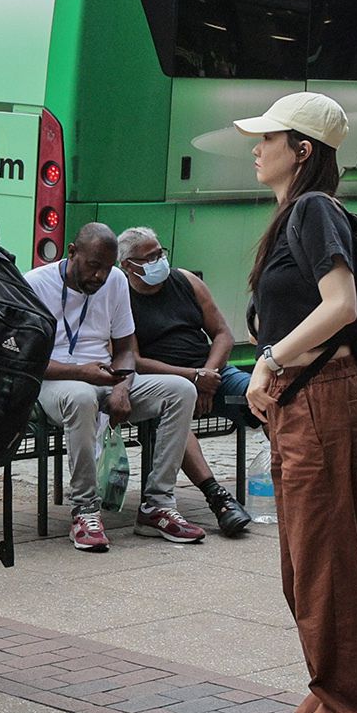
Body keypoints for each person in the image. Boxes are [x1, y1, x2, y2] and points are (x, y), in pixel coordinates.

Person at [235, 90, 357, 713]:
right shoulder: (293, 216)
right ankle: (325, 703)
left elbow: (341, 305)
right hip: (308, 405)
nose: (255, 147)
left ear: (302, 151)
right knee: (304, 568)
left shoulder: (315, 210)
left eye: (269, 137)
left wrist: (270, 358)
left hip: (326, 405)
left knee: (325, 572)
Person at [26, 224, 205, 550]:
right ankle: (84, 508)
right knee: (81, 397)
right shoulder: (35, 285)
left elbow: (124, 348)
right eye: (93, 266)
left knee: (181, 390)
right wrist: (82, 373)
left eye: (106, 269)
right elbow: (26, 359)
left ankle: (157, 504)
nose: (99, 276)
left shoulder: (116, 281)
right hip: (56, 381)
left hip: (108, 376)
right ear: (71, 252)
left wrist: (122, 386)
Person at [114, 226, 254, 537]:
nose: (158, 261)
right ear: (127, 265)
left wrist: (208, 373)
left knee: (263, 397)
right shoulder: (120, 297)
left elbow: (223, 334)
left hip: (212, 373)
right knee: (177, 402)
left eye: (160, 253)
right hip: (165, 382)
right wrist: (192, 380)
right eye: (149, 258)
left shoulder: (185, 280)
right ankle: (218, 499)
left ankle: (293, 483)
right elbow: (133, 359)